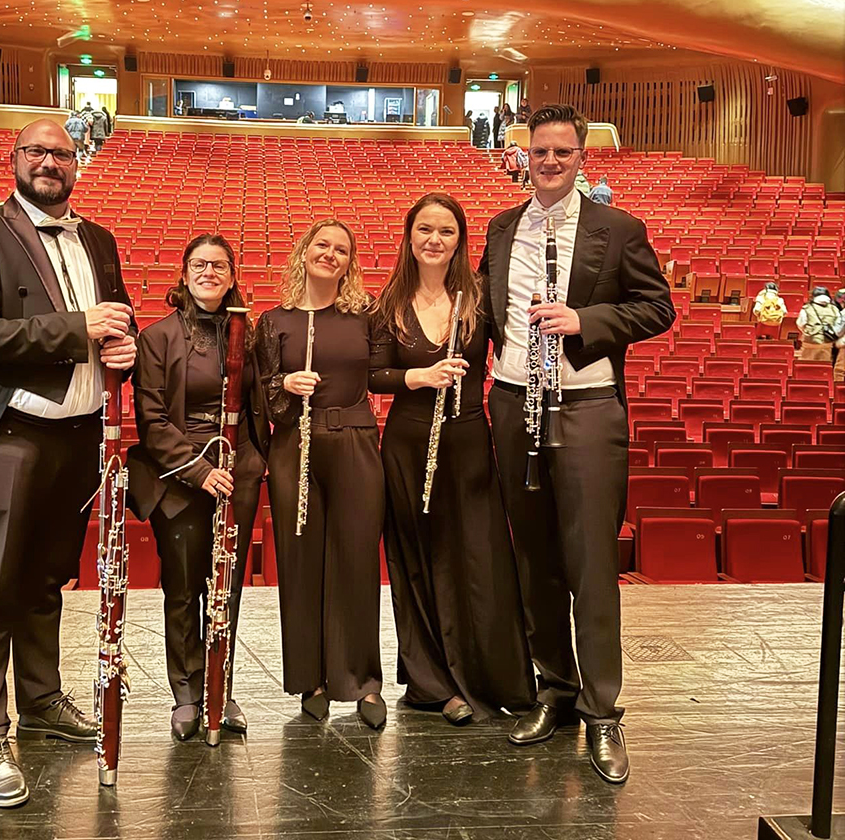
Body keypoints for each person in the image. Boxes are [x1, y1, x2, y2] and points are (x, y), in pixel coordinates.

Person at [0, 119, 137, 809]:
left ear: (77, 163)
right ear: (16, 159)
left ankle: (42, 700)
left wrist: (125, 347)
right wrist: (79, 329)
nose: (50, 162)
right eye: (37, 151)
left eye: (62, 153)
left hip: (78, 435)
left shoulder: (99, 239)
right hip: (13, 433)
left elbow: (118, 318)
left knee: (48, 579)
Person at [480, 104, 675, 785]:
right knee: (534, 559)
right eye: (541, 151)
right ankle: (556, 690)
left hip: (587, 406)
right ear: (525, 155)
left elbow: (657, 307)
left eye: (563, 151)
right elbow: (490, 313)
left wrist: (584, 319)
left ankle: (602, 709)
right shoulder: (502, 228)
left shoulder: (617, 228)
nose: (551, 161)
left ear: (582, 157)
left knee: (591, 562)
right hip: (514, 403)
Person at [370, 193, 535, 726]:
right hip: (407, 445)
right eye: (425, 229)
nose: (434, 240)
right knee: (418, 562)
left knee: (477, 561)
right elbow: (373, 374)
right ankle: (433, 684)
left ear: (461, 239)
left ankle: (490, 677)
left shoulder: (480, 299)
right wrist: (417, 377)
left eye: (446, 231)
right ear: (409, 236)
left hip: (467, 442)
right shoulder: (389, 303)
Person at [125, 235, 268, 741]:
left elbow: (258, 405)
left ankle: (220, 688)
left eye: (219, 265)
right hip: (180, 477)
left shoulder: (247, 333)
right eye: (199, 264)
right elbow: (152, 419)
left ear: (232, 276)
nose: (209, 272)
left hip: (238, 471)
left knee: (227, 587)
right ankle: (187, 693)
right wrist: (199, 471)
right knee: (184, 588)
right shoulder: (157, 338)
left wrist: (251, 465)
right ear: (184, 273)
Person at [256, 219, 386, 730]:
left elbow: (382, 374)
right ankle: (309, 679)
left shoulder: (366, 316)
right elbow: (264, 392)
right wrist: (285, 384)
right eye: (322, 245)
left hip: (355, 439)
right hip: (294, 444)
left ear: (350, 263)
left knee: (357, 559)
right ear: (304, 251)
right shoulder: (274, 321)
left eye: (341, 250)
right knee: (300, 559)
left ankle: (363, 681)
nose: (330, 254)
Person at [796, 286, 839, 362]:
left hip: (810, 341)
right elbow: (838, 325)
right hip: (827, 342)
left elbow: (800, 323)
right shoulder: (834, 309)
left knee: (806, 364)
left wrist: (806, 331)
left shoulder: (807, 308)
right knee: (824, 365)